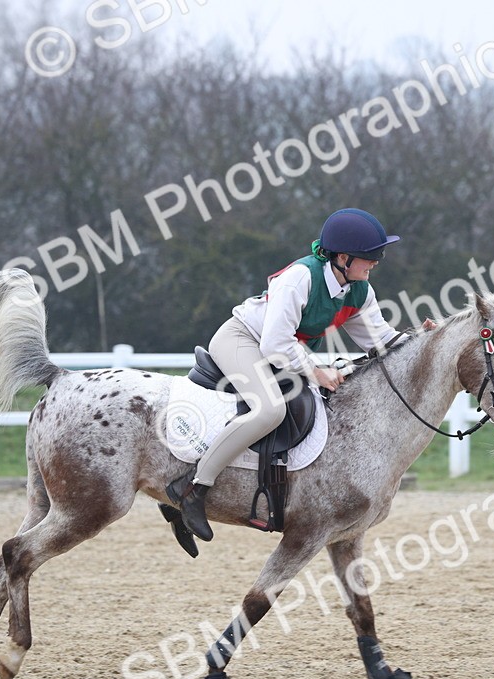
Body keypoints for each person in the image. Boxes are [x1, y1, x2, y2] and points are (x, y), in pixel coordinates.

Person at [165, 208, 435, 543]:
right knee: (270, 410)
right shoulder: (300, 278)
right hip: (242, 340)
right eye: (370, 256)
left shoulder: (358, 291)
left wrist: (424, 341)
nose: (376, 262)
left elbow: (381, 340)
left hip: (279, 354)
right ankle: (191, 488)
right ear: (343, 258)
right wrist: (316, 371)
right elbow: (275, 342)